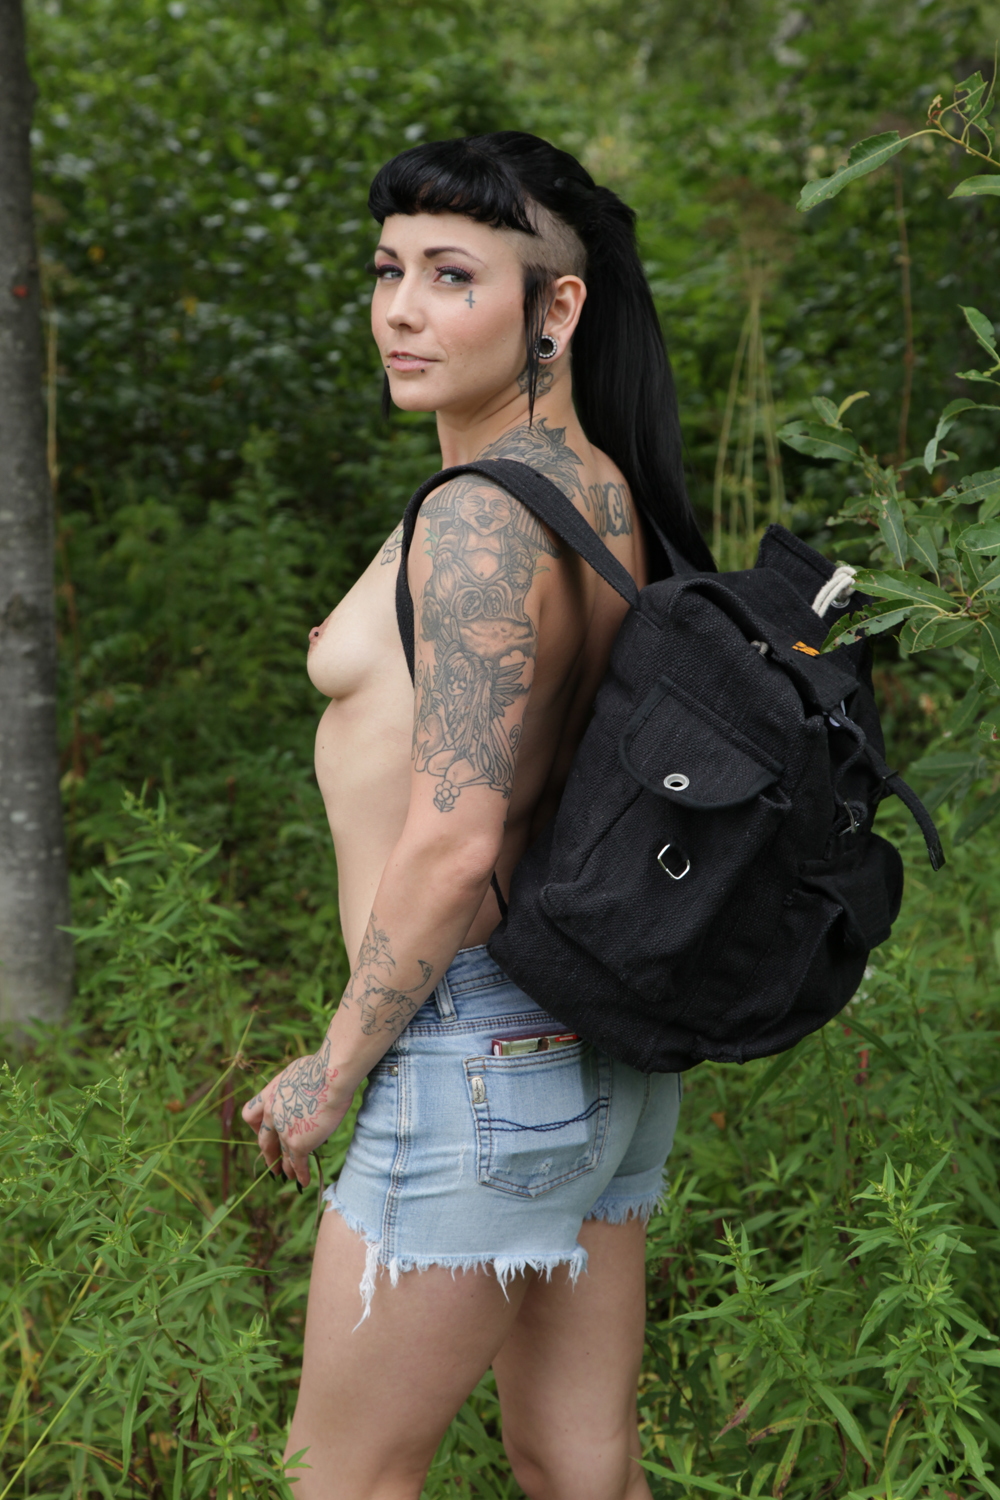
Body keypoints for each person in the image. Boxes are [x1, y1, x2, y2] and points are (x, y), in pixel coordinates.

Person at [241, 131, 713, 1500]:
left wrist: (333, 1071)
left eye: (453, 276)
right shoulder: (599, 488)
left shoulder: (480, 525)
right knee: (579, 1466)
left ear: (555, 307)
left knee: (341, 1479)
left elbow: (453, 845)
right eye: (387, 270)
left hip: (478, 1055)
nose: (401, 310)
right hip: (596, 1056)